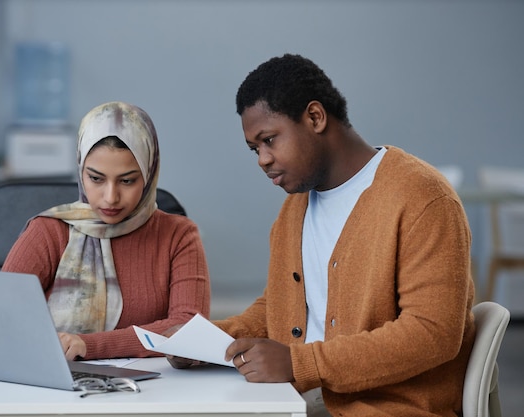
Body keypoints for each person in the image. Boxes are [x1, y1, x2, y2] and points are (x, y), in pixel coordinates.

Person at [168, 54, 476, 417]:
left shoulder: (421, 197)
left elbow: (432, 334)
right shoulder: (295, 208)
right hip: (302, 400)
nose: (262, 160)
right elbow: (280, 305)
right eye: (255, 149)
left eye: (269, 140)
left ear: (315, 117)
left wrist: (300, 363)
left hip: (389, 407)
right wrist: (212, 342)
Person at [2, 101, 210, 361]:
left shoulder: (178, 235)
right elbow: (1, 318)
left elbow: (187, 329)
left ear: (149, 173)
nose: (111, 197)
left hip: (150, 393)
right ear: (80, 172)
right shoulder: (48, 231)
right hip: (51, 384)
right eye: (96, 179)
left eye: (127, 180)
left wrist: (88, 346)